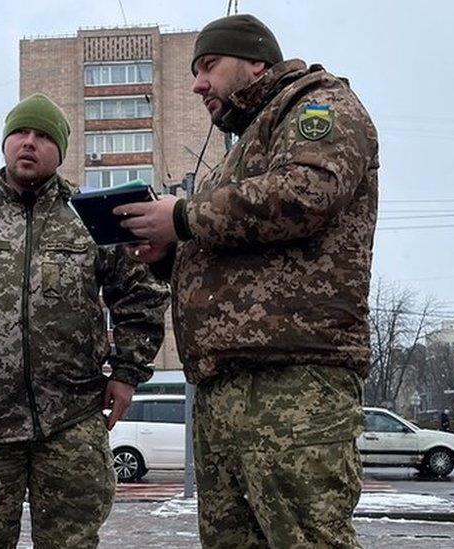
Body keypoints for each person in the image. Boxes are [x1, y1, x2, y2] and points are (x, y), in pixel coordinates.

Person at [114, 14, 380, 548]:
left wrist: (184, 217)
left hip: (293, 379)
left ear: (255, 62)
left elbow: (307, 192)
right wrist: (169, 253)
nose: (197, 84)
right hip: (225, 385)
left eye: (208, 66)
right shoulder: (241, 148)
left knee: (306, 538)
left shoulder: (318, 104)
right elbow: (235, 248)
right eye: (193, 72)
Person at [0, 93, 169, 548]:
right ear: (5, 142)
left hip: (70, 422)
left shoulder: (87, 220)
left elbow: (141, 296)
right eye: (20, 133)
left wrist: (127, 374)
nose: (29, 143)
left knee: (72, 542)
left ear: (61, 151)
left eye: (43, 136)